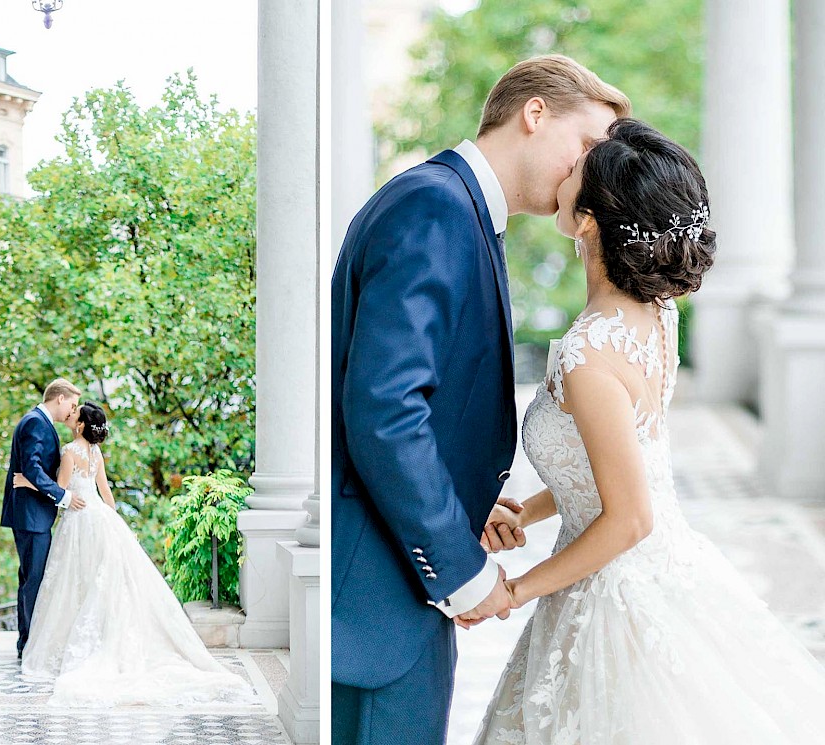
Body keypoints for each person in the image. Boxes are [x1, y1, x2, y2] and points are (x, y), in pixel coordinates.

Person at [473, 118, 825, 744]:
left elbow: (630, 517)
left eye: (577, 167)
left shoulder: (589, 354)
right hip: (667, 572)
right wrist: (526, 514)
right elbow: (617, 468)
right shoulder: (655, 314)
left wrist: (513, 592)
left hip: (615, 599)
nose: (565, 167)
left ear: (586, 221)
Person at [330, 55, 630, 744]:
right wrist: (465, 575)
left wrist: (464, 497)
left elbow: (415, 395)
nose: (590, 176)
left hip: (397, 587)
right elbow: (385, 409)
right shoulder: (435, 205)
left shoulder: (463, 212)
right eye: (587, 147)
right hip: (382, 600)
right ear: (535, 114)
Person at [15, 402, 251, 707]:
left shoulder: (70, 452)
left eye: (76, 415)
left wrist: (27, 482)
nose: (71, 417)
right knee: (99, 584)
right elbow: (106, 493)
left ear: (82, 426)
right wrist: (115, 524)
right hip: (99, 518)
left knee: (74, 583)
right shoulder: (96, 454)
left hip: (77, 522)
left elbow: (61, 490)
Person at [1, 378, 85, 661]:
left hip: (33, 514)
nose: (72, 412)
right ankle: (29, 646)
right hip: (31, 516)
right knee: (33, 580)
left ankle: (28, 642)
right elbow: (33, 468)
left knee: (31, 579)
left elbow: (34, 473)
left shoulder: (38, 422)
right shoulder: (36, 422)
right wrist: (63, 496)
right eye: (71, 405)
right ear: (59, 398)